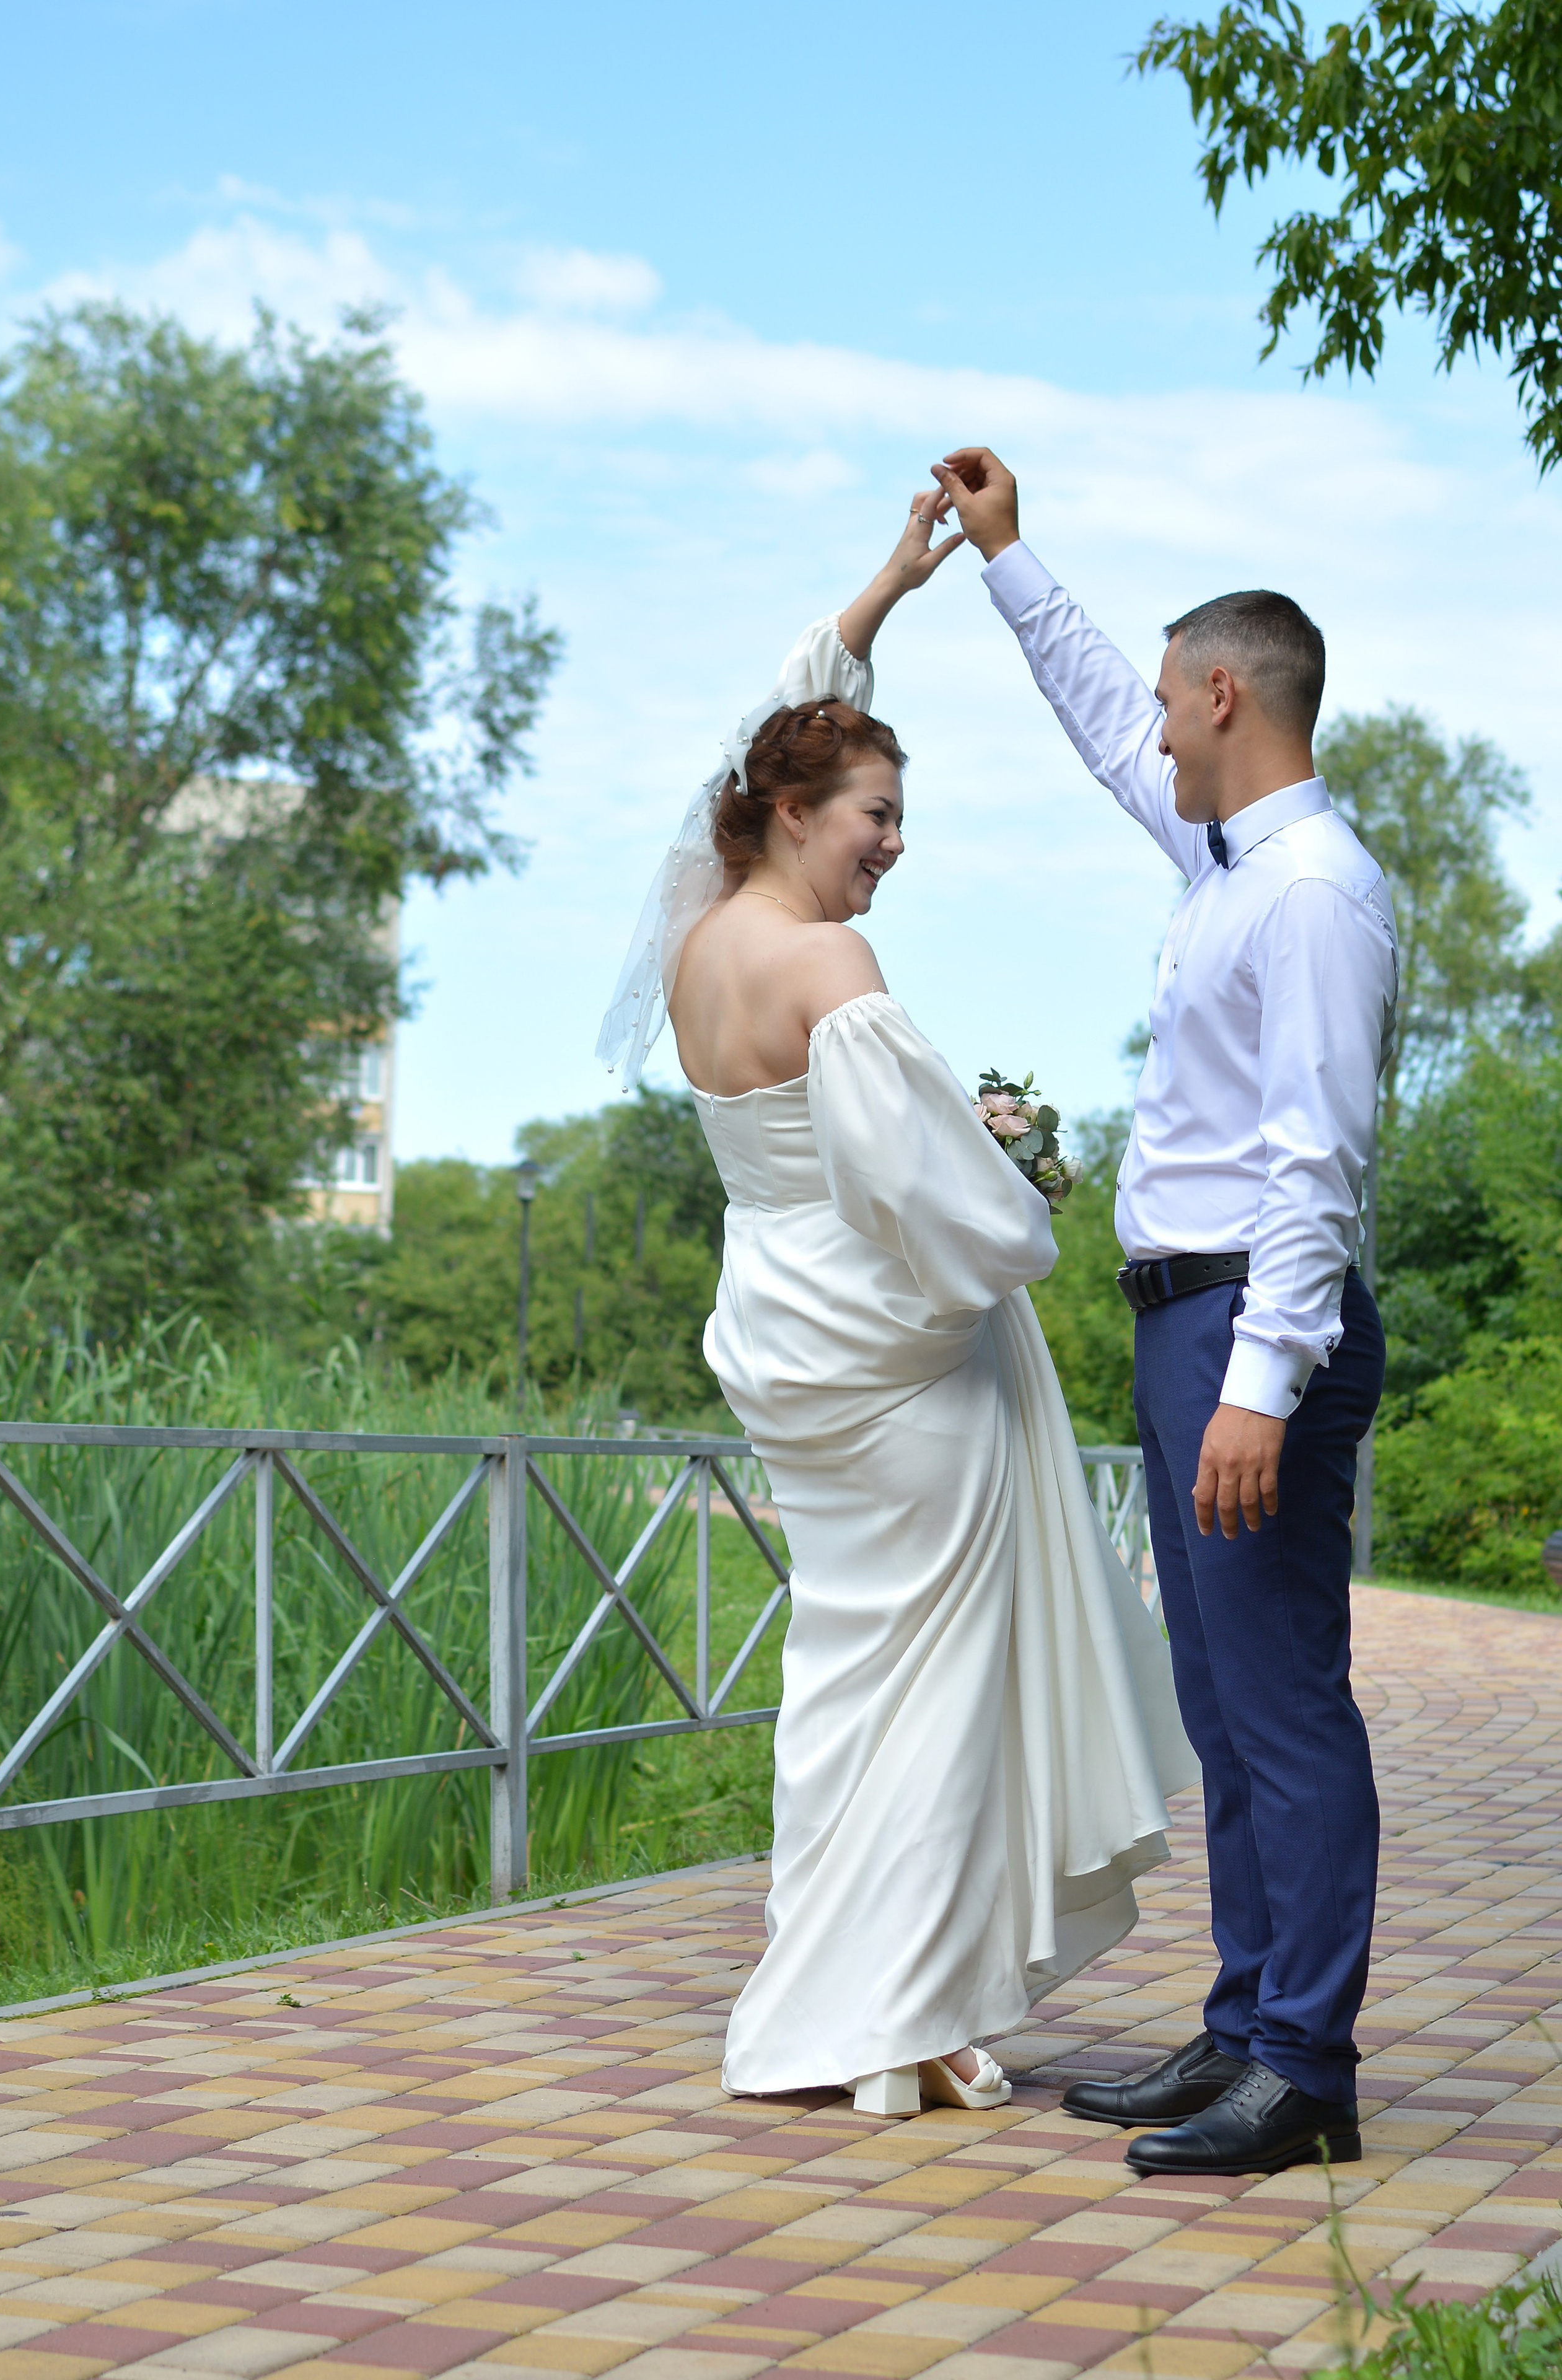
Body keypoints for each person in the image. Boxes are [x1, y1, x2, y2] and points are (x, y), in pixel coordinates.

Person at [597, 492, 1195, 2118]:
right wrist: (1025, 1197)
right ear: (794, 809)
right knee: (933, 1686)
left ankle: (846, 1995)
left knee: (849, 1674)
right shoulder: (835, 980)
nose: (896, 840)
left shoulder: (695, 943)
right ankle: (885, 2010)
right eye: (875, 810)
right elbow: (938, 1206)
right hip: (902, 1364)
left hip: (786, 1343)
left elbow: (767, 721)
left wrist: (875, 599)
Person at [932, 446, 1398, 2176]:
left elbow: (1317, 1166)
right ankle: (1238, 2030)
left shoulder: (1312, 894)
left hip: (1249, 1333)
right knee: (1224, 1708)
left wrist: (1263, 1383)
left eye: (1165, 695)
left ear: (1224, 692)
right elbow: (1094, 727)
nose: (1151, 724)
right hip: (1185, 1327)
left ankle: (1305, 2067)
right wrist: (1009, 562)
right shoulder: (1224, 863)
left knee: (1285, 1704)